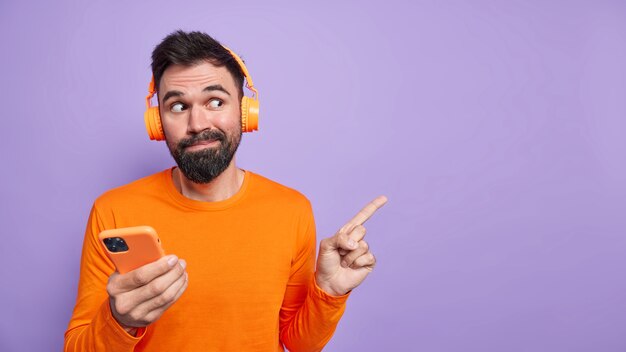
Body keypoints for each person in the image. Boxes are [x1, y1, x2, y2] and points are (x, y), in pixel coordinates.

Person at [64, 30, 387, 352]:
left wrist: (328, 291)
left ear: (245, 113)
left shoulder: (291, 209)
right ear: (157, 121)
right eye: (178, 106)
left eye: (215, 101)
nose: (197, 123)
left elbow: (300, 343)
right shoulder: (114, 210)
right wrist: (120, 320)